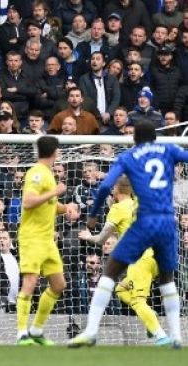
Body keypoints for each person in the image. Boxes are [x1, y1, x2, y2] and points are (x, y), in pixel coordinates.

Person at [69, 121, 187, 348]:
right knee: (167, 279)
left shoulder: (129, 156)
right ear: (155, 137)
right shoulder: (169, 149)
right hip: (167, 222)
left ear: (134, 138)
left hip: (145, 221)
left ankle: (92, 331)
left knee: (110, 272)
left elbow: (104, 187)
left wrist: (93, 215)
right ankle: (177, 336)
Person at [78, 176, 172, 345]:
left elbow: (101, 239)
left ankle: (160, 335)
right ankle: (151, 316)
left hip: (140, 260)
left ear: (117, 189)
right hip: (156, 257)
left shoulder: (118, 208)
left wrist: (88, 236)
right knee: (121, 290)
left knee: (137, 300)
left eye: (113, 187)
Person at [16, 136, 68, 346]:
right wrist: (55, 191)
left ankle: (37, 330)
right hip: (32, 238)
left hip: (47, 240)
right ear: (55, 152)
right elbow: (28, 202)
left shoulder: (47, 174)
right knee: (30, 282)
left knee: (58, 284)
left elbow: (47, 204)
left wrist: (66, 209)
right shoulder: (37, 173)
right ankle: (21, 333)